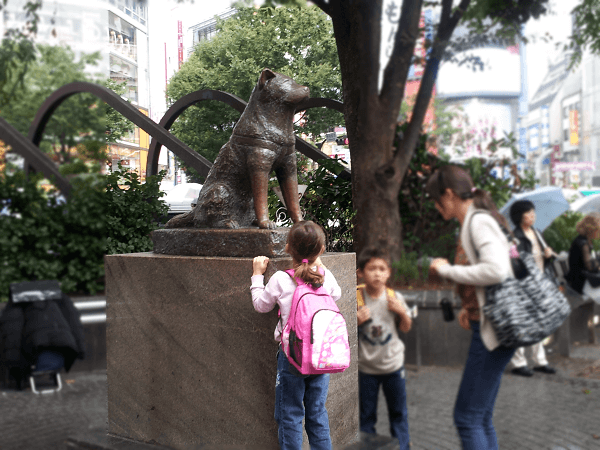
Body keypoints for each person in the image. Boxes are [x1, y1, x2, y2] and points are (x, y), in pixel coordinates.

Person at [427, 165, 515, 450]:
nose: (436, 205)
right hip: (493, 323)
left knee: (467, 417)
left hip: (494, 329)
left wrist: (447, 270)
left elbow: (496, 271)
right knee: (480, 417)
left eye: (436, 199)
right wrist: (470, 306)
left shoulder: (478, 221)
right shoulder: (479, 220)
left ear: (449, 194)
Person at [250, 220, 341, 450]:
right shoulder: (325, 276)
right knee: (317, 413)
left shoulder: (281, 279)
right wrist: (317, 266)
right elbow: (336, 295)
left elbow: (261, 305)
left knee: (290, 414)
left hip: (292, 357)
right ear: (321, 250)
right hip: (322, 356)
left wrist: (257, 276)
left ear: (288, 247)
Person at [356, 246, 412, 450]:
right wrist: (356, 321)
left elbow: (406, 327)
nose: (377, 273)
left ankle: (403, 447)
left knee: (398, 415)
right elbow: (344, 332)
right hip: (366, 369)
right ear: (360, 273)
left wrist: (402, 313)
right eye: (372, 268)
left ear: (388, 273)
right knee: (366, 417)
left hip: (393, 368)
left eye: (382, 269)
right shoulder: (357, 298)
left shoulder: (393, 297)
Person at [508, 200, 557, 377]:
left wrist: (548, 255)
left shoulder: (537, 233)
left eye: (533, 213)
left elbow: (545, 260)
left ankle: (539, 361)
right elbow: (514, 262)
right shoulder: (514, 237)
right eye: (528, 213)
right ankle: (518, 363)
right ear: (519, 217)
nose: (532, 216)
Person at [566, 212, 600, 299]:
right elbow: (590, 266)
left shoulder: (584, 240)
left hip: (581, 279)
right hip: (582, 283)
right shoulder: (583, 243)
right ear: (593, 229)